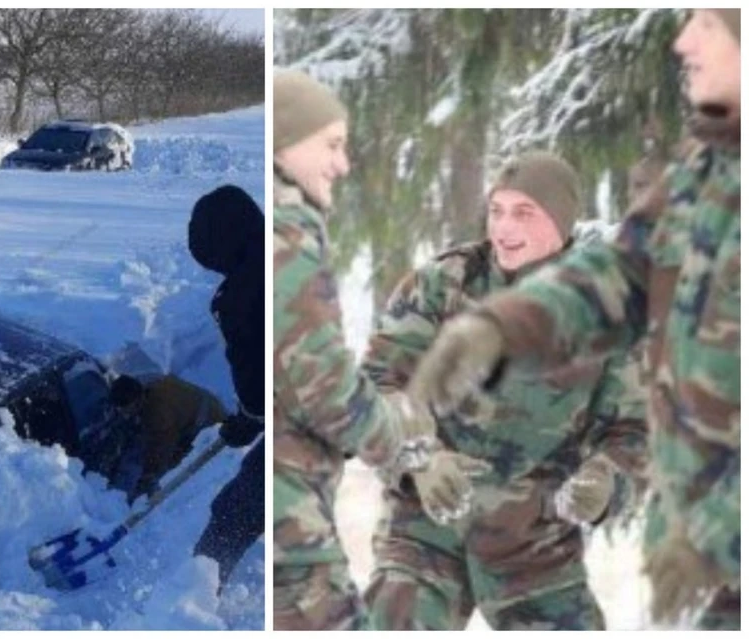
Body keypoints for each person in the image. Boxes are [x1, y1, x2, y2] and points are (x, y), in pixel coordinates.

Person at [409, 9, 740, 629]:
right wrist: (502, 326)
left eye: (712, 24)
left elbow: (631, 421)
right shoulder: (708, 168)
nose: (683, 39)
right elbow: (626, 277)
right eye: (497, 211)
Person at [361, 151, 648, 630]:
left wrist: (605, 481)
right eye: (496, 210)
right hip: (425, 532)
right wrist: (418, 458)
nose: (503, 227)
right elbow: (376, 383)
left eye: (523, 212)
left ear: (561, 222)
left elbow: (634, 430)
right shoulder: (443, 284)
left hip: (534, 548)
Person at [272, 69, 455, 630]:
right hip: (293, 528)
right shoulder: (289, 233)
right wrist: (409, 451)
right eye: (331, 144)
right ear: (284, 139)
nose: (343, 164)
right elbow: (327, 391)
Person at [186, 184, 266, 592]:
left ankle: (189, 605)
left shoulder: (240, 298)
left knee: (236, 513)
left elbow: (256, 385)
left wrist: (249, 418)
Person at [106, 373, 226, 503]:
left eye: (125, 410)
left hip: (211, 425)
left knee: (176, 467)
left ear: (136, 402)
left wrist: (144, 483)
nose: (123, 414)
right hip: (201, 407)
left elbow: (160, 452)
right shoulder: (146, 384)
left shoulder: (158, 413)